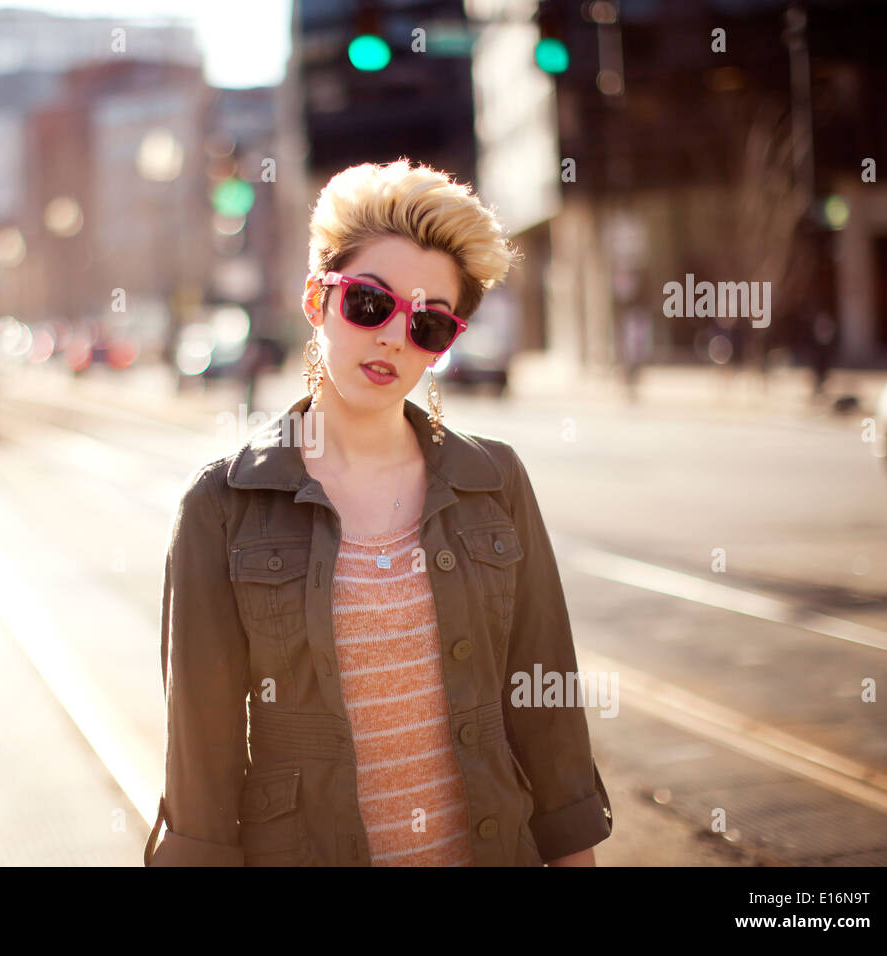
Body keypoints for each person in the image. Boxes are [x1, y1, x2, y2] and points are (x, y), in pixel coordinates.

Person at [145, 158, 612, 867]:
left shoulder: (497, 482)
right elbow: (200, 762)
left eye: (428, 323)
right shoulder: (222, 505)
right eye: (370, 303)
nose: (394, 336)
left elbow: (546, 711)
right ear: (316, 300)